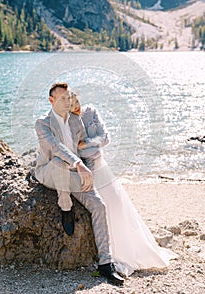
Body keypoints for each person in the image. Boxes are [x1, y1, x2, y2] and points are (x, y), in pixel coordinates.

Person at [71, 92, 177, 276]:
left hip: (102, 169)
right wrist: (89, 148)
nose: (77, 107)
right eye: (72, 105)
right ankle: (108, 255)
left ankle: (130, 251)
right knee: (103, 211)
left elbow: (105, 138)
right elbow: (74, 151)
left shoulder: (90, 111)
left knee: (119, 207)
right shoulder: (69, 122)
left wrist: (87, 143)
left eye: (77, 102)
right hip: (88, 172)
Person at [34, 82, 124, 286]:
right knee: (60, 161)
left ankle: (105, 263)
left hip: (74, 172)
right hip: (48, 170)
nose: (67, 102)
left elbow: (82, 145)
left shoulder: (76, 121)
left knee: (99, 206)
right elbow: (55, 148)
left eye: (68, 97)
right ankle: (65, 205)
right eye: (61, 98)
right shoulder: (43, 123)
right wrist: (77, 163)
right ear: (51, 100)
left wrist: (87, 165)